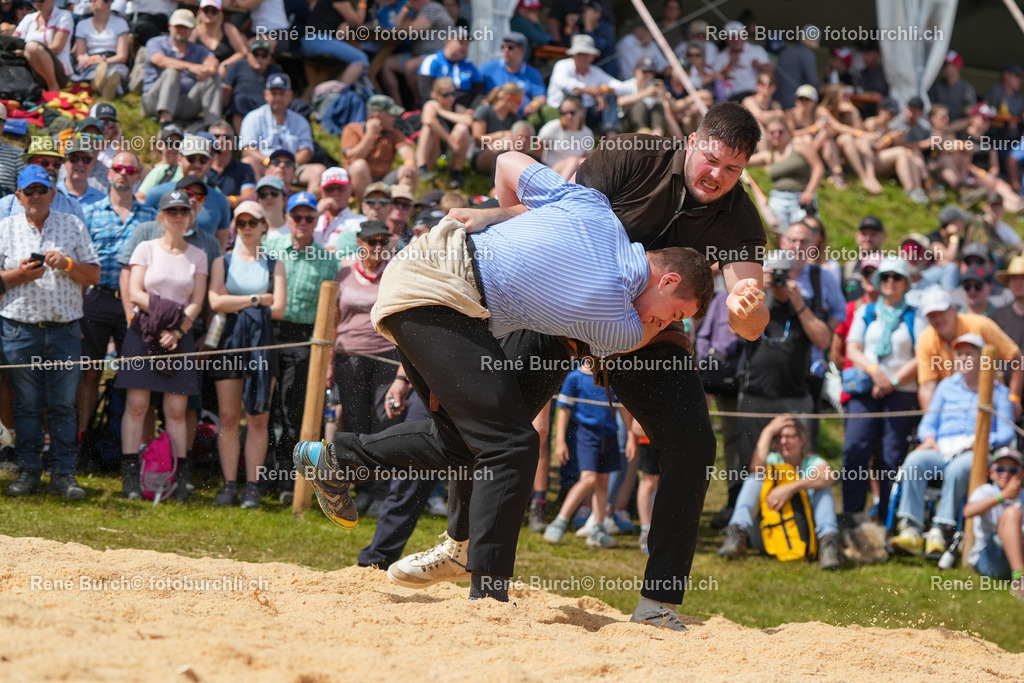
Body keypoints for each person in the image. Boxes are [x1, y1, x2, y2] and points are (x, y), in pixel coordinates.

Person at [309, 102, 771, 631]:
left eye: (733, 170)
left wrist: (748, 309)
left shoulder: (738, 217)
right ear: (692, 141)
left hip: (653, 323)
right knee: (485, 431)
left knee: (693, 442)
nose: (718, 176)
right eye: (712, 160)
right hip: (559, 307)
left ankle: (658, 602)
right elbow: (560, 206)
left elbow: (749, 315)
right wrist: (493, 215)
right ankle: (461, 544)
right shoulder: (634, 152)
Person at [0, 166, 100, 499]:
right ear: (19, 196)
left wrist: (68, 264)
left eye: (43, 190)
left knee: (63, 405)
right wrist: (19, 275)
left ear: (53, 194)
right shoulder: (5, 228)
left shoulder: (72, 225)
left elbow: (94, 275)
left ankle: (64, 475)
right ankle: (28, 472)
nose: (37, 197)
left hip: (64, 330)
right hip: (19, 328)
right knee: (26, 405)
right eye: (30, 192)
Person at [115, 190, 208, 501]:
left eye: (183, 211)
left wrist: (179, 330)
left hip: (178, 335)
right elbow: (135, 290)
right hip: (144, 331)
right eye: (172, 211)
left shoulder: (198, 255)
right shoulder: (146, 248)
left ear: (190, 216)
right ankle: (130, 475)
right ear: (162, 216)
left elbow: (197, 302)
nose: (178, 216)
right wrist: (166, 317)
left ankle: (180, 478)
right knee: (137, 405)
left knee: (176, 409)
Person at [891, 333, 1016, 559]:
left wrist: (982, 443)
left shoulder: (999, 392)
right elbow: (929, 422)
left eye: (970, 354)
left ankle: (941, 530)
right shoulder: (946, 386)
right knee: (915, 461)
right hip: (942, 448)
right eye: (960, 354)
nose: (964, 359)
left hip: (976, 452)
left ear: (983, 359)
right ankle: (912, 529)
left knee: (960, 468)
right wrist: (928, 437)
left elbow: (1007, 431)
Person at [208, 201, 286, 509]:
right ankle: (229, 484)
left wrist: (235, 300)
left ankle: (252, 486)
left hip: (263, 344)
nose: (247, 228)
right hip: (230, 343)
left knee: (258, 417)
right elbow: (215, 301)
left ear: (264, 226)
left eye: (253, 222)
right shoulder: (222, 261)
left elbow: (278, 307)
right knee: (228, 417)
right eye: (241, 223)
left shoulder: (273, 263)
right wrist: (256, 298)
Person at [261, 192, 339, 498]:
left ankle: (289, 479)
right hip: (269, 332)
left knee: (294, 410)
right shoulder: (269, 249)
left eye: (309, 218)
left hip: (307, 338)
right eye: (297, 217)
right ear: (288, 218)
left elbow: (333, 311)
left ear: (316, 221)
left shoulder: (327, 260)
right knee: (262, 408)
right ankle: (259, 475)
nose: (303, 223)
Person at [77, 152, 157, 438]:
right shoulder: (90, 213)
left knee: (137, 376)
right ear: (109, 174)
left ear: (137, 176)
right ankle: (82, 439)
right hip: (96, 299)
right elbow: (82, 261)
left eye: (130, 169)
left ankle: (135, 445)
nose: (123, 172)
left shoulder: (151, 217)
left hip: (135, 301)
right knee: (89, 372)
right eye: (118, 168)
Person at [840, 258, 924, 517]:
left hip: (901, 393)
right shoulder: (866, 311)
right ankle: (852, 516)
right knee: (855, 449)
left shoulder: (915, 314)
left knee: (892, 455)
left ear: (905, 283)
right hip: (866, 389)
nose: (890, 281)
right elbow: (852, 347)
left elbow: (923, 354)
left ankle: (889, 517)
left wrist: (893, 381)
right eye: (885, 276)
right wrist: (875, 373)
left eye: (896, 277)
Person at [718, 415, 841, 569]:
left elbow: (829, 475)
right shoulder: (773, 460)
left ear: (802, 438)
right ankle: (737, 534)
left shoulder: (811, 462)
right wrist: (768, 432)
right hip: (770, 534)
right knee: (755, 478)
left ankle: (828, 544)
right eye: (778, 437)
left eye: (789, 436)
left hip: (805, 536)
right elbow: (755, 468)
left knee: (822, 486)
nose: (783, 442)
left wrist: (790, 487)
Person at [543, 361, 624, 548]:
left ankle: (598, 528)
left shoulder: (610, 377)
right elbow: (563, 411)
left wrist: (629, 438)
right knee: (589, 479)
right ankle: (559, 522)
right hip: (587, 435)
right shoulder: (574, 378)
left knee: (603, 481)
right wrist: (560, 441)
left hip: (610, 436)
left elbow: (622, 408)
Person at [239, 73, 326, 196]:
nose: (278, 98)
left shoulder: (300, 120)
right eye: (274, 93)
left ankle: (306, 209)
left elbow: (306, 150)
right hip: (264, 165)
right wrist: (269, 163)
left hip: (293, 167)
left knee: (318, 171)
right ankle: (258, 200)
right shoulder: (253, 117)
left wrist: (288, 165)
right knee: (249, 162)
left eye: (282, 94)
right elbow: (247, 149)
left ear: (290, 95)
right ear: (266, 94)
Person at [141, 9, 222, 128]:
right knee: (171, 72)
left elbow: (213, 61)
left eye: (186, 27)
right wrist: (191, 67)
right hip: (154, 101)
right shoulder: (156, 42)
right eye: (178, 26)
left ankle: (214, 127)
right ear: (170, 26)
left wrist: (207, 70)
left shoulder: (198, 49)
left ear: (192, 30)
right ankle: (166, 124)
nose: (181, 30)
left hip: (186, 103)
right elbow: (159, 60)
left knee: (214, 76)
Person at [963, 447, 1024, 598]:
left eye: (1013, 470)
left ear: (1021, 474)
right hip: (989, 559)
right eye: (1000, 469)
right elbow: (968, 512)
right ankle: (1020, 580)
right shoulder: (985, 491)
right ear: (991, 472)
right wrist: (1003, 496)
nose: (1006, 474)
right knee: (1012, 513)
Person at [746, 116, 824, 229]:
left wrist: (809, 191)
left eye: (780, 132)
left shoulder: (799, 145)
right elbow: (744, 160)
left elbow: (818, 167)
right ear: (767, 135)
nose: (776, 135)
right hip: (778, 199)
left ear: (787, 131)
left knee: (805, 233)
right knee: (783, 237)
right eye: (772, 132)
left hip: (801, 197)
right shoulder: (769, 156)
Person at [547, 34, 628, 136]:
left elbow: (620, 86)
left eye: (586, 54)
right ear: (573, 55)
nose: (583, 58)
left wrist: (602, 89)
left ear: (592, 57)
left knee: (609, 96)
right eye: (580, 54)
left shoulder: (595, 72)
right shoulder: (562, 65)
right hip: (561, 111)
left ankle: (612, 137)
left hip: (587, 113)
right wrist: (593, 93)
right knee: (573, 98)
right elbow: (566, 84)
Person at [341, 95, 417, 203]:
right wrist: (370, 134)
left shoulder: (394, 132)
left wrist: (409, 162)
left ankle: (398, 210)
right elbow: (353, 158)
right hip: (357, 181)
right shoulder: (352, 129)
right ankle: (367, 208)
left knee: (410, 170)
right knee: (359, 165)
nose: (393, 119)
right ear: (377, 116)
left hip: (384, 180)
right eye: (390, 115)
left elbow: (406, 150)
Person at [479, 32, 550, 125]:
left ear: (522, 51)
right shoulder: (488, 68)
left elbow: (540, 96)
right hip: (494, 118)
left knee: (548, 111)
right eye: (503, 47)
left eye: (510, 47)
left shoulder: (532, 73)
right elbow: (475, 90)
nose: (506, 50)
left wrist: (534, 104)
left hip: (522, 118)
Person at [415, 76, 473, 187]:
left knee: (462, 129)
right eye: (446, 95)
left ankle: (457, 172)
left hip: (449, 155)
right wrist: (449, 140)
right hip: (433, 155)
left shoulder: (457, 107)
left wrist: (442, 112)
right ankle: (422, 167)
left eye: (453, 94)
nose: (451, 98)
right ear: (436, 95)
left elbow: (469, 121)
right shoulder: (431, 105)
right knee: (429, 127)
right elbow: (428, 120)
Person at [70, 0, 130, 99]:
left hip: (112, 60)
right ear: (93, 2)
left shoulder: (120, 23)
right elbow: (80, 55)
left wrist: (104, 61)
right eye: (106, 1)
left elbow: (122, 56)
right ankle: (108, 86)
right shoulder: (82, 24)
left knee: (117, 71)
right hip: (91, 60)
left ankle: (100, 84)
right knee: (89, 71)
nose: (110, 3)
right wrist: (92, 60)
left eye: (111, 1)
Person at [302, 0, 369, 87]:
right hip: (317, 40)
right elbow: (358, 21)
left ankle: (331, 90)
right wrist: (363, 2)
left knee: (356, 61)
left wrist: (346, 23)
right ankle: (337, 93)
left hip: (314, 41)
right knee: (361, 60)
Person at [222, 39, 284, 132]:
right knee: (238, 100)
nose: (259, 58)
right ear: (249, 55)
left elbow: (282, 91)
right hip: (243, 107)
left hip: (268, 108)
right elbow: (227, 88)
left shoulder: (275, 70)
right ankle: (243, 142)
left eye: (264, 55)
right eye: (256, 54)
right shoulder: (238, 65)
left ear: (269, 58)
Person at [12, 0, 73, 93]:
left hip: (59, 72)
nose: (37, 2)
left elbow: (57, 48)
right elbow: (12, 41)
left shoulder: (64, 16)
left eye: (41, 0)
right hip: (30, 68)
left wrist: (26, 53)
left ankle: (53, 86)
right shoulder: (29, 18)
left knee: (32, 47)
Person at [470, 83, 523, 178]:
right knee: (507, 140)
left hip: (501, 157)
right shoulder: (484, 110)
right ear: (508, 98)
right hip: (480, 156)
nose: (520, 106)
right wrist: (502, 135)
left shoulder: (514, 118)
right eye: (518, 102)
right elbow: (478, 139)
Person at [417, 34, 483, 109]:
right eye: (461, 42)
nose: (464, 47)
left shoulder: (470, 65)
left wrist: (472, 109)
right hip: (439, 107)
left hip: (465, 108)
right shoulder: (432, 61)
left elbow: (478, 93)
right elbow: (425, 92)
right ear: (448, 42)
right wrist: (452, 105)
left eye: (467, 44)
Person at [537, 95, 593, 179]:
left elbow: (586, 158)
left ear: (581, 111)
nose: (568, 116)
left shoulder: (587, 133)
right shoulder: (553, 127)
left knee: (582, 162)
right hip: (551, 172)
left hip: (574, 173)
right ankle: (561, 187)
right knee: (573, 161)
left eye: (572, 112)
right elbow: (537, 152)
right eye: (564, 113)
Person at [190, 0, 247, 78]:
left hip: (226, 76)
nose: (209, 14)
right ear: (200, 12)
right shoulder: (194, 32)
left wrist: (225, 64)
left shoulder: (228, 28)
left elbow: (243, 52)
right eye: (206, 10)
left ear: (219, 13)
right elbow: (187, 54)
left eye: (214, 11)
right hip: (200, 76)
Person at [313, 167, 363, 250]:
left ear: (350, 191)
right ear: (322, 192)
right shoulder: (309, 220)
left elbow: (349, 251)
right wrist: (316, 212)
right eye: (329, 189)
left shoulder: (359, 221)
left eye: (340, 188)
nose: (335, 193)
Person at [774, 27, 819, 110]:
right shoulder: (807, 54)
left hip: (777, 101)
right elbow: (813, 82)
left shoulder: (785, 51)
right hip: (795, 104)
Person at [57, 136, 106, 207]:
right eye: (74, 158)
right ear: (64, 160)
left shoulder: (102, 201)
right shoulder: (50, 195)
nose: (80, 164)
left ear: (93, 163)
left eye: (86, 159)